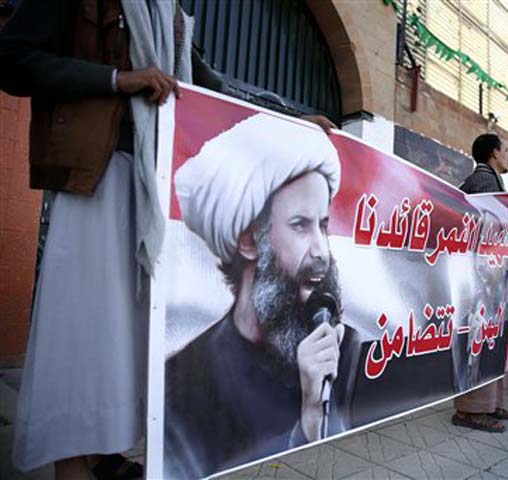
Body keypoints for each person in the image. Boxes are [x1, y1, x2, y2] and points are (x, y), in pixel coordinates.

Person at [0, 2, 334, 479]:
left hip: (153, 191)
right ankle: (71, 464)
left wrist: (292, 119)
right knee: (82, 333)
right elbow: (12, 59)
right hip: (94, 184)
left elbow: (214, 90)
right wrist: (119, 79)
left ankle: (103, 455)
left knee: (128, 338)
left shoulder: (170, 14)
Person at [164, 114, 358, 479]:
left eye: (324, 225)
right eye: (301, 225)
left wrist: (314, 413)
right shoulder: (181, 382)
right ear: (249, 239)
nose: (321, 251)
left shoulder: (348, 351)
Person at [452, 133, 508, 433]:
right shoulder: (486, 182)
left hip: (486, 278)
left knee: (490, 341)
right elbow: (493, 234)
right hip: (484, 279)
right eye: (505, 151)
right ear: (493, 153)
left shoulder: (485, 180)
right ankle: (471, 411)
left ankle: (490, 404)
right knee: (481, 342)